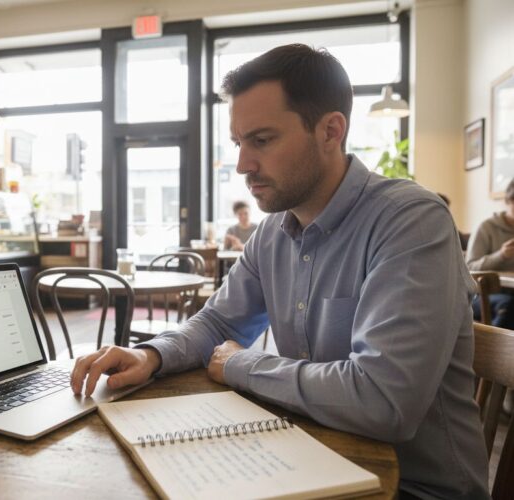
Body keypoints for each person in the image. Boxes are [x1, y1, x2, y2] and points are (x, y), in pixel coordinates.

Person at [71, 44, 488, 497]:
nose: (242, 165)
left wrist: (241, 364)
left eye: (262, 140)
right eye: (239, 143)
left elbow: (384, 401)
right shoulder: (272, 233)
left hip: (414, 489)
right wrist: (151, 356)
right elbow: (218, 322)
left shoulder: (410, 222)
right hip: (309, 460)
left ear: (330, 130)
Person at [466, 179, 514, 328]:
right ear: (507, 201)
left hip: (510, 291)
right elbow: (469, 267)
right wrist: (501, 255)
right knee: (509, 305)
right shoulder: (486, 228)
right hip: (482, 295)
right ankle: (493, 349)